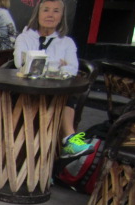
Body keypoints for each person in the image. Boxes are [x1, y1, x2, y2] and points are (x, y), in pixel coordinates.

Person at [14, 0, 95, 159]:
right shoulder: (24, 38)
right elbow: (21, 63)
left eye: (56, 11)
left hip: (56, 93)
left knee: (66, 95)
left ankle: (69, 140)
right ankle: (65, 144)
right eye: (46, 10)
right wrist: (57, 64)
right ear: (38, 14)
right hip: (27, 91)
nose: (50, 14)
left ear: (62, 16)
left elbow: (71, 69)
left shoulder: (66, 42)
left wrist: (39, 63)